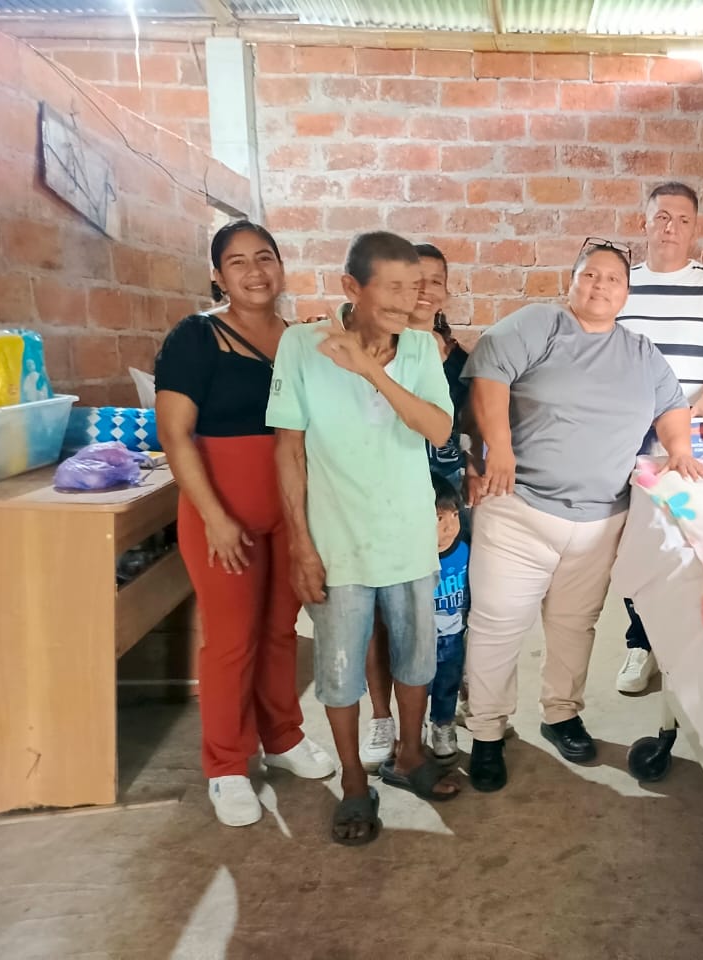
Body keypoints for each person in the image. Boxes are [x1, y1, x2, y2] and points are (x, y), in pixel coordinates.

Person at [461, 238, 703, 793]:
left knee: (575, 626)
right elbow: (489, 376)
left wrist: (679, 450)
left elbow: (672, 405)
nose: (600, 285)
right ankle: (487, 732)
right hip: (520, 510)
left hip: (601, 521)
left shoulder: (641, 352)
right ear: (571, 282)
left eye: (613, 278)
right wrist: (500, 448)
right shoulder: (541, 325)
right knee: (498, 626)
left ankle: (561, 715)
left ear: (626, 293)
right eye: (590, 275)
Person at [268, 231, 462, 846]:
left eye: (417, 287)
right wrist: (301, 544)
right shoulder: (301, 346)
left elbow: (438, 428)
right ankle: (354, 782)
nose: (408, 301)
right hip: (338, 542)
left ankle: (409, 756)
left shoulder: (421, 349)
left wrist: (370, 369)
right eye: (394, 288)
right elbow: (289, 450)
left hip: (408, 535)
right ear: (352, 287)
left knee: (416, 659)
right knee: (339, 671)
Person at [155, 220, 335, 828]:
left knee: (282, 630)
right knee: (232, 641)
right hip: (221, 516)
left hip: (291, 511)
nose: (255, 272)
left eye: (265, 258)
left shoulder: (303, 339)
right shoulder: (195, 338)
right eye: (237, 262)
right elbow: (175, 435)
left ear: (281, 266)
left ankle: (283, 737)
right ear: (217, 275)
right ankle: (227, 764)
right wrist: (215, 517)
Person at [613, 181, 703, 694]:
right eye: (662, 217)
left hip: (695, 435)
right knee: (634, 540)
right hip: (627, 434)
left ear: (696, 228)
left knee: (691, 539)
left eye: (683, 220)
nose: (671, 227)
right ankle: (640, 642)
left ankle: (689, 644)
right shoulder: (621, 285)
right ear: (644, 222)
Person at [358, 241, 469, 768]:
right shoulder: (378, 349)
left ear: (446, 291)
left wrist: (475, 471)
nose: (424, 291)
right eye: (413, 280)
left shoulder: (461, 360)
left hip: (444, 503)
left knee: (440, 614)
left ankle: (437, 714)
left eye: (435, 281)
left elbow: (469, 430)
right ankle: (382, 717)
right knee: (382, 617)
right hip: (383, 501)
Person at [428, 473, 470, 762]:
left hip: (453, 637)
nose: (448, 527)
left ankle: (443, 725)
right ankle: (413, 727)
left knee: (447, 684)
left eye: (453, 516)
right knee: (416, 688)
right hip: (420, 640)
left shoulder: (464, 549)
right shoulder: (413, 556)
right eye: (438, 519)